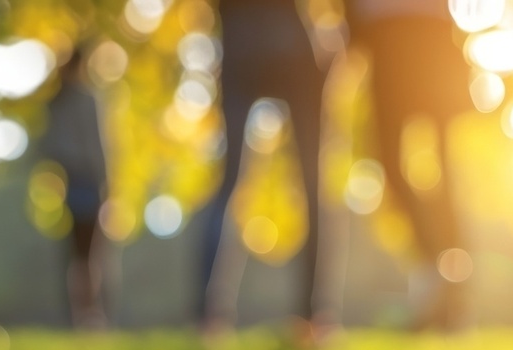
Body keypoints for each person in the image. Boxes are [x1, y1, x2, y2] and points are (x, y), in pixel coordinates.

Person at [196, 0, 341, 330]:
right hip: (290, 35)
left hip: (239, 37)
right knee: (311, 180)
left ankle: (209, 315)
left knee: (227, 180)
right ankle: (313, 316)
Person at [348, 0, 475, 330]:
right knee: (390, 162)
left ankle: (449, 290)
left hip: (430, 31)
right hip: (391, 32)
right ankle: (438, 271)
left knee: (443, 171)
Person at [36, 47, 112, 329]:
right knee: (89, 254)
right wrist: (106, 182)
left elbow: (47, 148)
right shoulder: (80, 99)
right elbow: (97, 146)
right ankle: (88, 315)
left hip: (70, 182)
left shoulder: (57, 103)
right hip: (86, 182)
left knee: (79, 254)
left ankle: (83, 314)